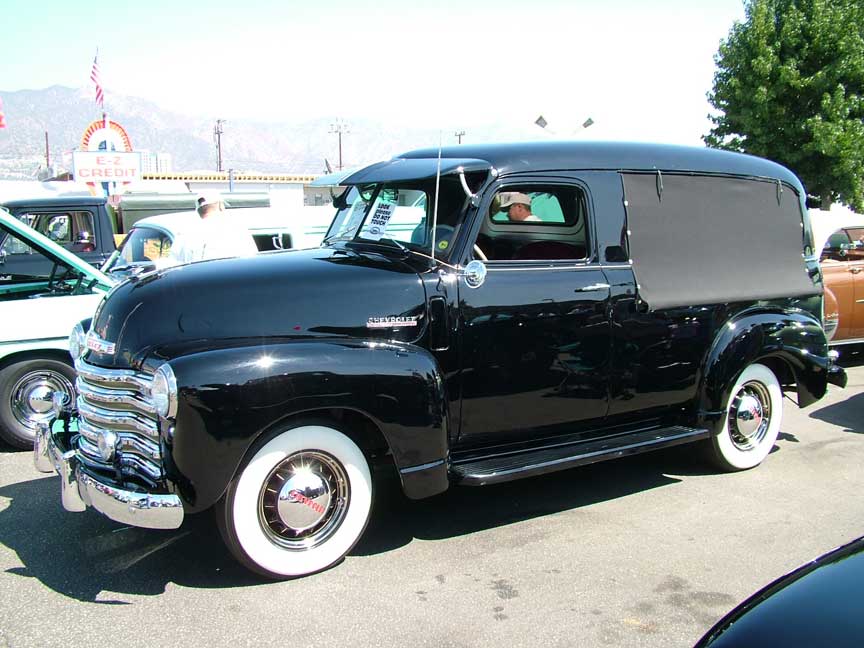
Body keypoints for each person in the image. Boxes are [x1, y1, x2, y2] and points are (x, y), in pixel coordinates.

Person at [166, 192, 259, 266]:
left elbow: (173, 267)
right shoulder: (236, 231)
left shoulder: (184, 234)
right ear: (220, 206)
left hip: (194, 287)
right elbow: (251, 265)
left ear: (198, 211)